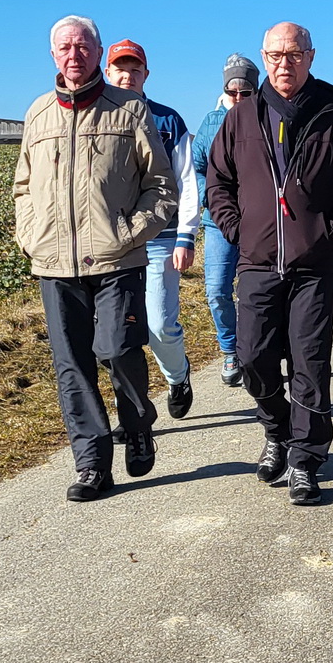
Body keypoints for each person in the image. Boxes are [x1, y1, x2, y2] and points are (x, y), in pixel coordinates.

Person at [206, 21, 333, 506]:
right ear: (264, 57)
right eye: (276, 55)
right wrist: (238, 230)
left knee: (310, 360)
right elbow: (218, 182)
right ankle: (276, 429)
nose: (285, 63)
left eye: (295, 54)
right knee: (253, 356)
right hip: (257, 261)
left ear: (311, 56)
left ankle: (305, 459)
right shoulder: (241, 117)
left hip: (313, 265)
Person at [13, 15, 179, 501]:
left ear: (97, 51)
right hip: (55, 264)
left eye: (82, 46)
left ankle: (138, 421)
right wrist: (31, 235)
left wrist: (129, 233)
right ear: (52, 55)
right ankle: (91, 464)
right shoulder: (38, 114)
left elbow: (162, 186)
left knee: (117, 349)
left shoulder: (128, 110)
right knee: (72, 366)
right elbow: (23, 186)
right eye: (64, 47)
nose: (73, 54)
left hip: (116, 260)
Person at [105, 39, 201, 420]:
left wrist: (186, 234)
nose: (127, 75)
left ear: (146, 74)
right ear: (108, 72)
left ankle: (177, 377)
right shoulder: (98, 118)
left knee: (160, 324)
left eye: (135, 69)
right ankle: (128, 407)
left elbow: (187, 180)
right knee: (116, 334)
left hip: (161, 240)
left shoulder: (168, 120)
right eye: (120, 68)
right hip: (112, 245)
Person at [192, 52, 260, 387]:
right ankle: (230, 349)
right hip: (218, 221)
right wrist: (209, 196)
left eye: (245, 93)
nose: (237, 98)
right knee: (218, 289)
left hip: (257, 221)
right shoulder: (209, 123)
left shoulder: (265, 118)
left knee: (254, 291)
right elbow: (196, 169)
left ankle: (257, 349)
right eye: (232, 91)